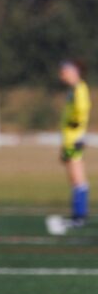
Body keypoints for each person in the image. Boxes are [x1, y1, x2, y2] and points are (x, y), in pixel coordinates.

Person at [58, 59, 90, 228]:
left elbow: (82, 110)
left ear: (74, 72)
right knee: (74, 177)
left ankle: (79, 216)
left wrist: (75, 124)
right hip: (70, 141)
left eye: (65, 71)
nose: (62, 75)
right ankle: (78, 215)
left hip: (74, 141)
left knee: (77, 177)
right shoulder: (74, 89)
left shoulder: (79, 89)